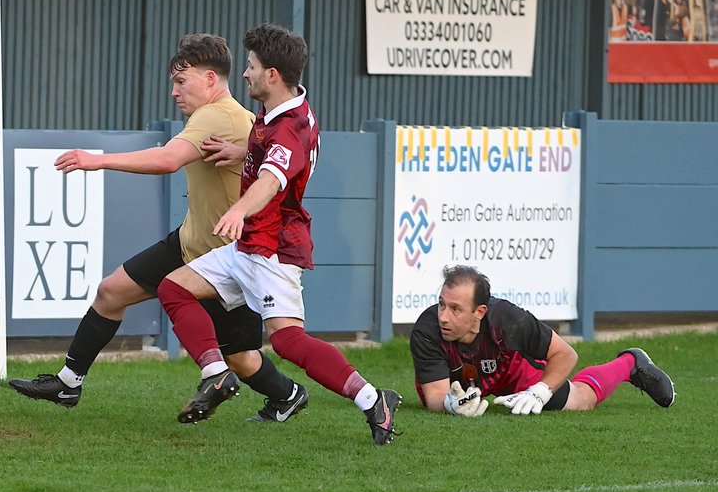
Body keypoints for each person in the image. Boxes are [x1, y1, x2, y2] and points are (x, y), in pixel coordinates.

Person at [8, 33, 309, 423]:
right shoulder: (235, 118)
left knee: (242, 358)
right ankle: (68, 382)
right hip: (188, 244)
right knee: (111, 291)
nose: (174, 92)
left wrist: (97, 161)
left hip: (222, 260)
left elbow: (168, 159)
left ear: (210, 79)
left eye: (181, 81)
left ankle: (289, 394)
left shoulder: (218, 115)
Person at [156, 23, 401, 444]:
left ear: (272, 75)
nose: (245, 73)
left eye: (251, 66)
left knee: (288, 342)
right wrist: (242, 152)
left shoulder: (288, 126)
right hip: (248, 243)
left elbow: (272, 180)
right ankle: (216, 374)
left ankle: (372, 399)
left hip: (272, 248)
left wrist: (238, 210)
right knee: (173, 289)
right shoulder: (282, 110)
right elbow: (276, 159)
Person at [410, 265, 676, 417]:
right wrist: (450, 405)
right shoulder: (427, 330)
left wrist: (540, 392)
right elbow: (434, 396)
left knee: (580, 401)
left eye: (455, 309)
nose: (443, 316)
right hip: (461, 383)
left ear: (479, 312)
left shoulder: (509, 320)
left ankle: (629, 363)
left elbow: (566, 354)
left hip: (509, 368)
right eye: (441, 304)